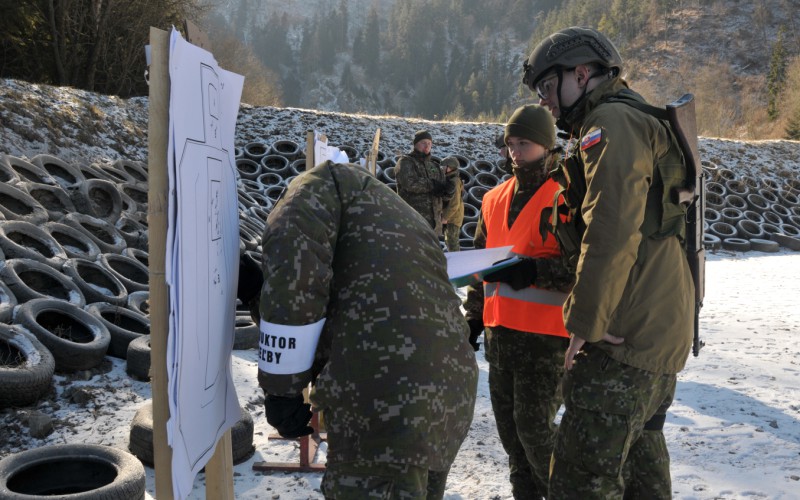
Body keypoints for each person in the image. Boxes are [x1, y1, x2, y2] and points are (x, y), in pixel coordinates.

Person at [239, 160, 478, 499]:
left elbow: (296, 290)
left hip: (385, 402)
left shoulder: (305, 196)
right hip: (447, 393)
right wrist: (256, 293)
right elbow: (356, 308)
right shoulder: (389, 210)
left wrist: (282, 390)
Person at [522, 26, 694, 497]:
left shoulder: (611, 123)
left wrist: (585, 322)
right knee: (643, 483)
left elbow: (611, 230)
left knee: (578, 483)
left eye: (548, 86)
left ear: (581, 74)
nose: (544, 102)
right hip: (655, 333)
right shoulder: (635, 117)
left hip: (623, 339)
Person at [463, 104, 574, 499]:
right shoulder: (493, 199)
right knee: (512, 439)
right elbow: (480, 268)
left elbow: (587, 266)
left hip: (546, 343)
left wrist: (534, 271)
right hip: (501, 341)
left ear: (546, 144)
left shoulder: (566, 196)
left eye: (523, 143)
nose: (515, 152)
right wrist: (473, 319)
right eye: (510, 144)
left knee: (537, 436)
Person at [395, 130, 456, 236]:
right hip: (413, 221)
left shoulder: (435, 166)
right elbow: (409, 183)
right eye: (423, 143)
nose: (427, 146)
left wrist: (448, 192)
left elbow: (442, 192)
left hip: (434, 226)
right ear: (415, 144)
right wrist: (432, 184)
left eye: (429, 143)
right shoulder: (406, 162)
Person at [440, 156, 464, 252]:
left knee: (452, 244)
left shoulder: (454, 182)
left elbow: (454, 203)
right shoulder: (451, 179)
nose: (442, 169)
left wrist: (445, 217)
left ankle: (457, 261)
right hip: (452, 216)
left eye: (444, 167)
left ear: (449, 168)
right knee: (449, 242)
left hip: (453, 217)